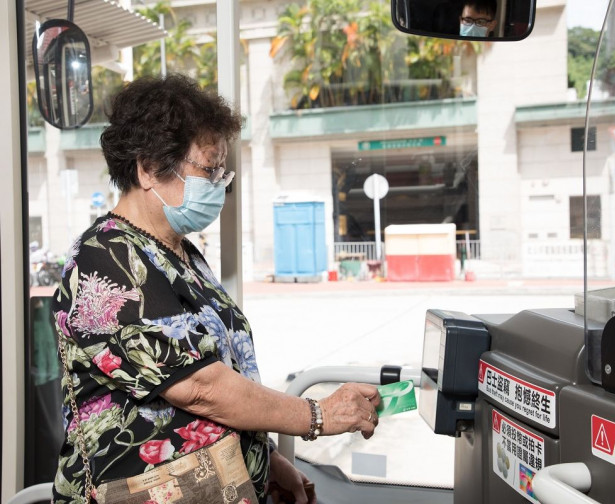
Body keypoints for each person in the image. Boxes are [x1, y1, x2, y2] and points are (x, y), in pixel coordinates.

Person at [51, 74, 380, 504]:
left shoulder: (180, 253)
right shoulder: (106, 259)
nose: (220, 184)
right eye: (209, 169)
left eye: (222, 172)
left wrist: (267, 461)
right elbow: (200, 387)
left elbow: (224, 371)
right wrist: (315, 415)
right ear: (149, 168)